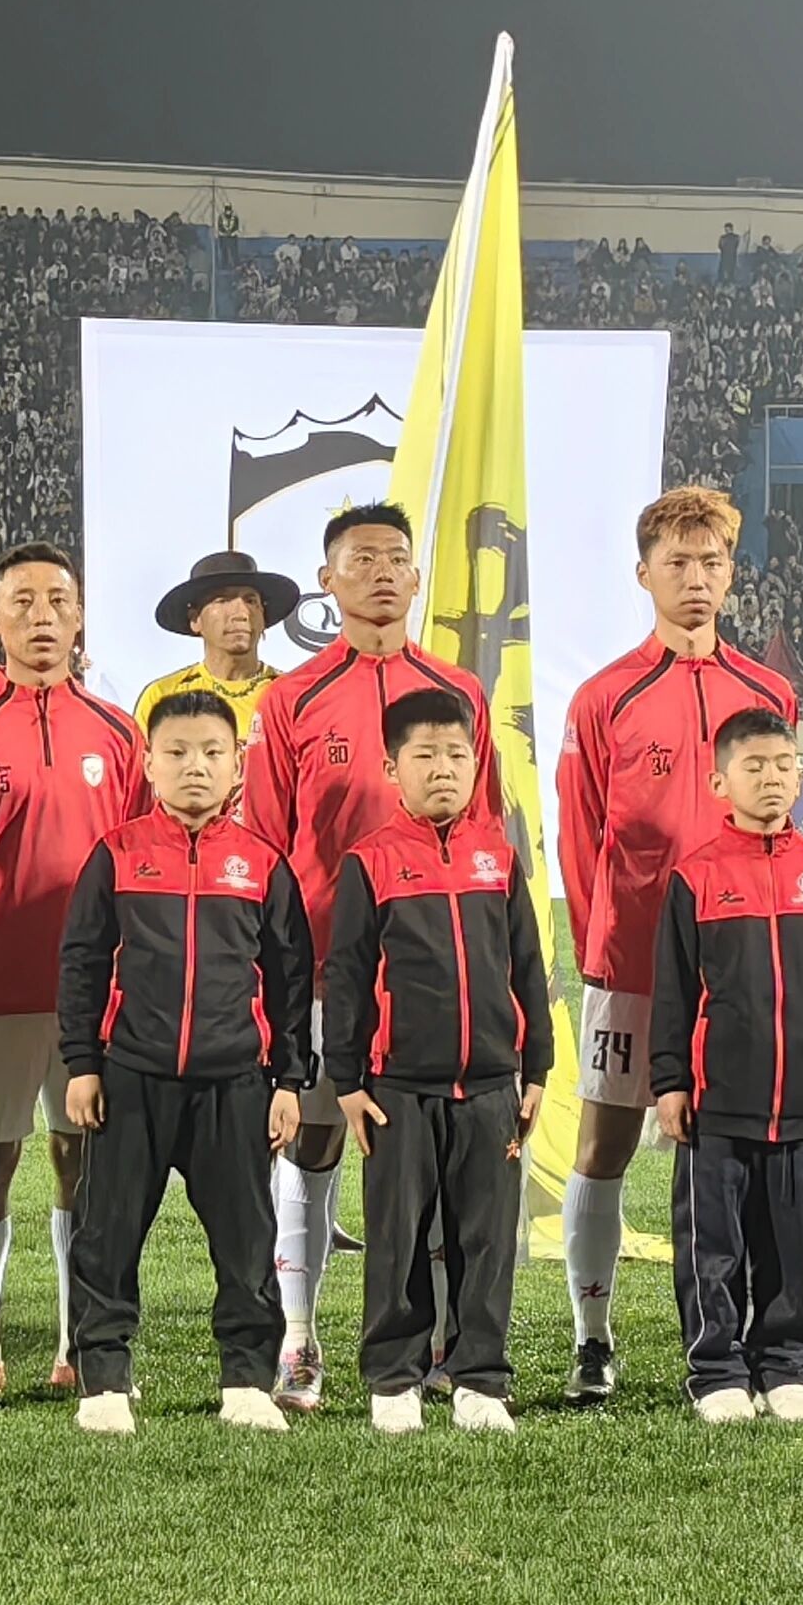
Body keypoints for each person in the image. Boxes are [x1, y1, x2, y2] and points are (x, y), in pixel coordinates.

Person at [240, 501, 503, 1411]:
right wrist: (272, 976)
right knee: (312, 1145)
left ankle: (441, 1348)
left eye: (397, 557)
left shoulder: (459, 693)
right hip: (327, 972)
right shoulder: (292, 700)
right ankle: (299, 1340)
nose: (382, 571)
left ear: (418, 577)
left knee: (437, 1161)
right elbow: (267, 849)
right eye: (362, 558)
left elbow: (485, 833)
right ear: (328, 580)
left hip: (438, 979)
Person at [556, 486, 795, 1402]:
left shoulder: (767, 693)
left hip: (739, 969)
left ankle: (738, 1342)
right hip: (631, 967)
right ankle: (592, 1339)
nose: (696, 579)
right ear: (643, 573)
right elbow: (581, 839)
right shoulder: (604, 697)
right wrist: (610, 949)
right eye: (678, 563)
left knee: (741, 1154)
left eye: (713, 563)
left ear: (732, 575)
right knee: (604, 1144)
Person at [0, 544, 142, 1401]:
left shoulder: (119, 733)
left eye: (57, 601)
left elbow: (142, 863)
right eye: (23, 601)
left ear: (79, 617)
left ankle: (80, 1346)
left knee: (84, 1164)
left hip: (94, 997)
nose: (42, 616)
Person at [55, 689, 315, 1436]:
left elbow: (292, 980)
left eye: (211, 752)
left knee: (246, 1242)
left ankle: (246, 1381)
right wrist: (82, 1064)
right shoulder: (116, 854)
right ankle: (105, 1378)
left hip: (235, 1083)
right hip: (131, 1078)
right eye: (176, 752)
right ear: (148, 764)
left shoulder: (263, 864)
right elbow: (81, 963)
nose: (194, 766)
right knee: (106, 1235)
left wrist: (289, 1081)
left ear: (238, 765)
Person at [327, 689, 553, 1435]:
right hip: (397, 1088)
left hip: (491, 1086)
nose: (443, 768)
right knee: (397, 1238)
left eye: (457, 754)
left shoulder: (499, 858)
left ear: (475, 762)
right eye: (424, 755)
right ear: (392, 768)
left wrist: (537, 1070)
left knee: (486, 1240)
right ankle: (395, 1378)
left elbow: (528, 966)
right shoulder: (370, 862)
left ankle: (479, 1378)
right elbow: (347, 976)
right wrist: (348, 1083)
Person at [647, 702, 803, 1427]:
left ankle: (787, 1368)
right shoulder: (695, 878)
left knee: (791, 1246)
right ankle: (717, 1370)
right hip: (718, 1103)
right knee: (712, 1247)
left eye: (785, 765)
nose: (773, 777)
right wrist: (669, 1081)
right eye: (755, 766)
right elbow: (673, 991)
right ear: (720, 783)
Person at [132, 550, 296, 741]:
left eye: (251, 601)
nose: (241, 613)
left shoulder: (291, 695)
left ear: (263, 618)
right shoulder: (163, 696)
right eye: (222, 600)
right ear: (195, 620)